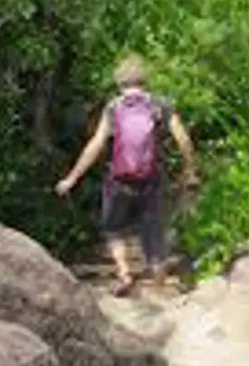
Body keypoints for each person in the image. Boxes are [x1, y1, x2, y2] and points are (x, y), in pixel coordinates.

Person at [55, 54, 199, 296]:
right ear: (145, 80)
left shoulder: (114, 107)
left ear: (119, 81)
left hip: (119, 179)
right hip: (152, 178)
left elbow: (96, 144)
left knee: (113, 228)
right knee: (153, 229)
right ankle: (159, 283)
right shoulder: (160, 105)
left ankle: (124, 272)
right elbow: (183, 138)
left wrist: (72, 178)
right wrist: (190, 170)